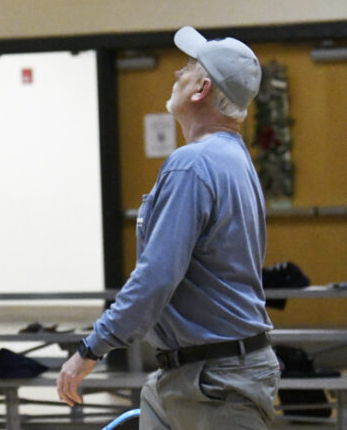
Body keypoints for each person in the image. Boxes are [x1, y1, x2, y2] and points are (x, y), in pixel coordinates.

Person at [57, 27, 280, 429]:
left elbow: (156, 277)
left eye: (189, 68)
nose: (178, 72)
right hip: (184, 376)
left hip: (215, 384)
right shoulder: (235, 159)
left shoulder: (192, 164)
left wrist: (90, 349)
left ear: (201, 89)